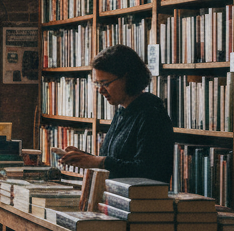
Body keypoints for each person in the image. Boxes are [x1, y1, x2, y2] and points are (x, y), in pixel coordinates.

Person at [57, 43, 174, 182]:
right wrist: (85, 158)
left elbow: (147, 171)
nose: (100, 90)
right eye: (97, 84)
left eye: (105, 83)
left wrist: (98, 162)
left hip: (141, 201)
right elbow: (118, 162)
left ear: (127, 77)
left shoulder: (152, 115)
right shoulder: (122, 112)